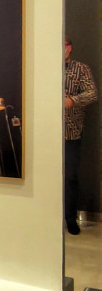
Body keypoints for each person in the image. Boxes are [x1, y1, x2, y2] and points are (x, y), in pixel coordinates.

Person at [64, 38, 98, 235]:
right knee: (45, 177)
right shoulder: (45, 68)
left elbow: (92, 93)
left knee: (70, 177)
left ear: (69, 48)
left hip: (71, 131)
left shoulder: (80, 68)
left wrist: (73, 100)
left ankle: (70, 218)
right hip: (46, 132)